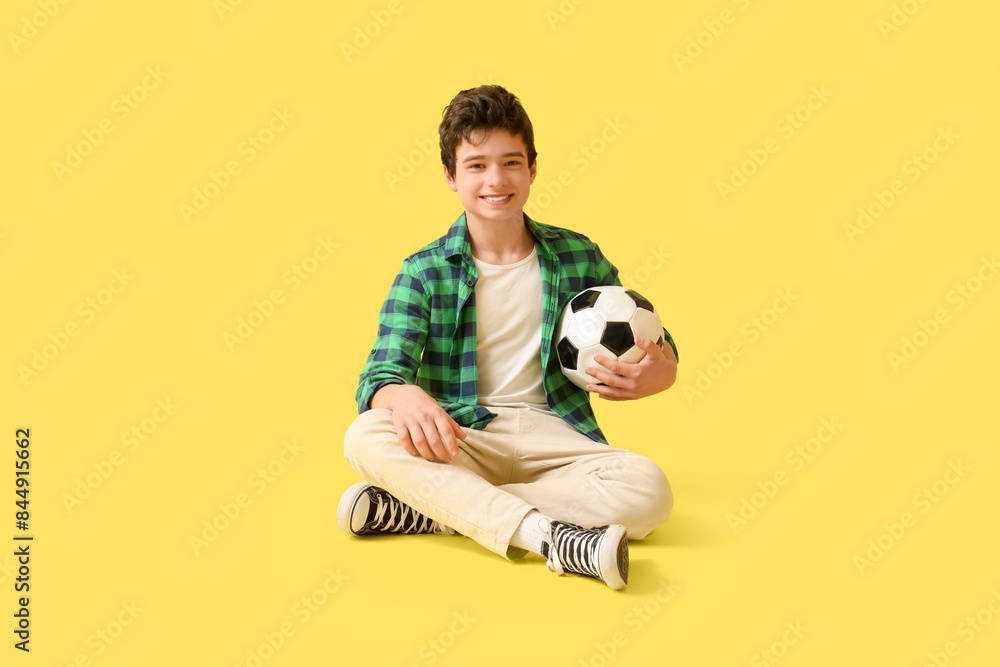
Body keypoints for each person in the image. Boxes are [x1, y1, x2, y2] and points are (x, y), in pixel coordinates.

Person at [338, 85, 679, 589]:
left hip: (555, 437)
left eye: (511, 162)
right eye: (476, 165)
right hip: (462, 437)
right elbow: (380, 376)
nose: (495, 180)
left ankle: (438, 509)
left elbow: (658, 343)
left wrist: (662, 371)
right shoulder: (424, 271)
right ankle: (551, 538)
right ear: (451, 177)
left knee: (649, 490)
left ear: (533, 168)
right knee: (364, 435)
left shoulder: (577, 255)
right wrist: (402, 394)